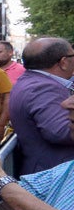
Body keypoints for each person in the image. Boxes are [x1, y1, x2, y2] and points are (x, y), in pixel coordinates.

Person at [9, 37, 74, 176]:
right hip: (54, 175)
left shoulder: (31, 81)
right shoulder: (44, 87)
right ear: (63, 62)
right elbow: (61, 132)